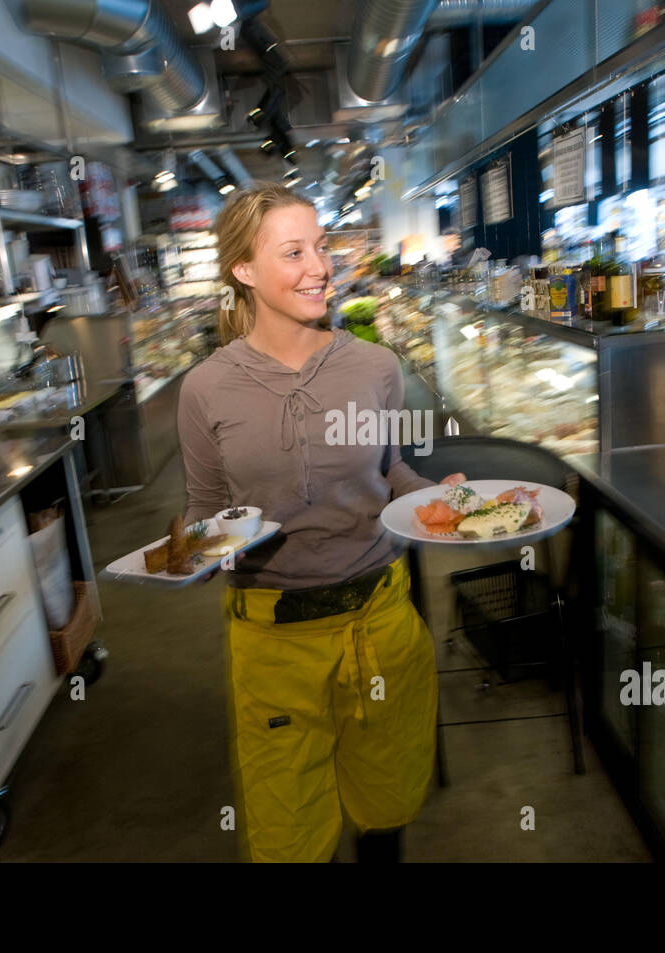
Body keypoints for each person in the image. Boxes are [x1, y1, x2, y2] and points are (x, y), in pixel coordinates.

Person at [177, 184, 463, 863]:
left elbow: (390, 467)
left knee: (386, 797)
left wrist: (434, 495)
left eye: (322, 247)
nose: (321, 267)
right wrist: (189, 550)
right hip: (271, 636)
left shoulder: (373, 365)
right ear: (243, 271)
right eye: (294, 252)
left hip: (379, 615)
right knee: (290, 826)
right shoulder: (206, 389)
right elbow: (204, 508)